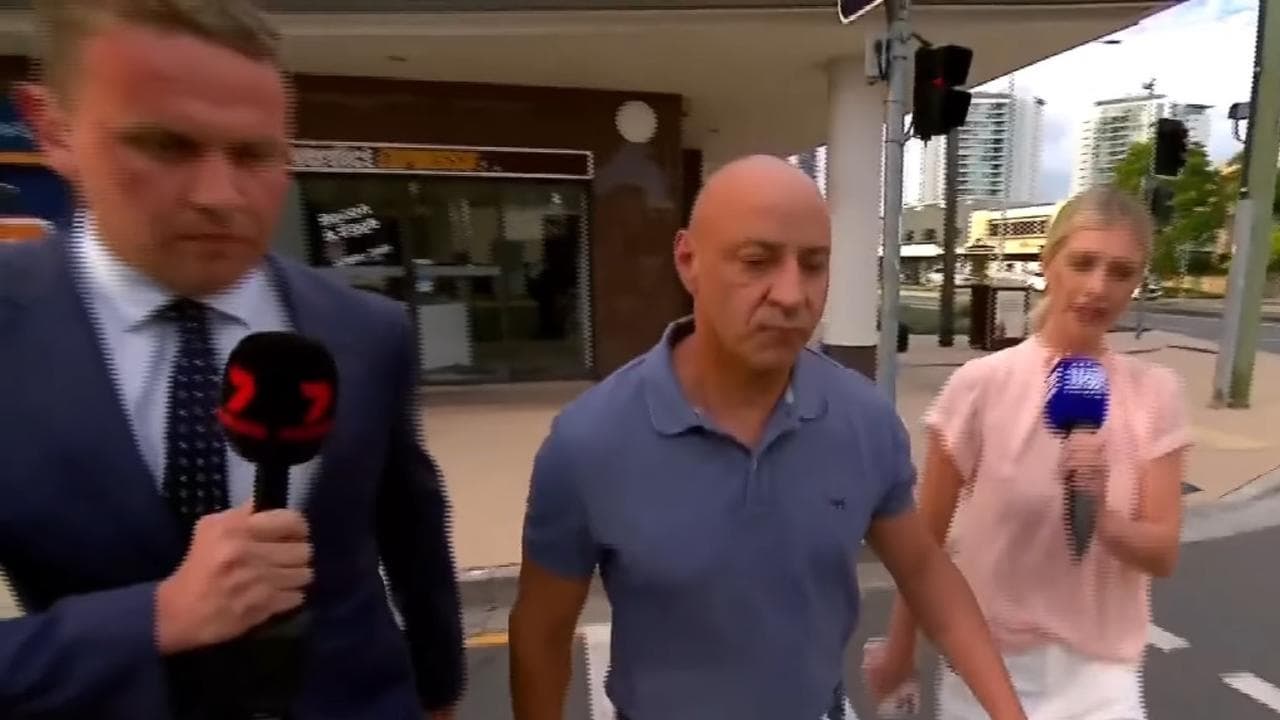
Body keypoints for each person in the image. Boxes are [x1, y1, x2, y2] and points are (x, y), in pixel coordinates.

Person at [0, 1, 464, 717]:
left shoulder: (369, 330)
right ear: (53, 129)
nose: (220, 196)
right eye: (165, 145)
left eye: (254, 155)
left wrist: (440, 691)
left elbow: (413, 539)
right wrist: (153, 618)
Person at [507, 154, 1027, 720]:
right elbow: (541, 634)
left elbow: (924, 572)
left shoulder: (864, 420)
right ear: (688, 261)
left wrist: (1009, 713)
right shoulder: (589, 442)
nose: (791, 294)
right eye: (757, 262)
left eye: (813, 265)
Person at [865, 186, 1192, 719]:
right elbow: (924, 544)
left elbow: (1163, 552)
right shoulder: (981, 385)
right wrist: (899, 653)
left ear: (1137, 283)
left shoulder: (1156, 393)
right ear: (1048, 262)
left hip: (1102, 679)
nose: (1098, 287)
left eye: (1120, 272)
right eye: (1083, 263)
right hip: (986, 668)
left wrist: (1099, 513)